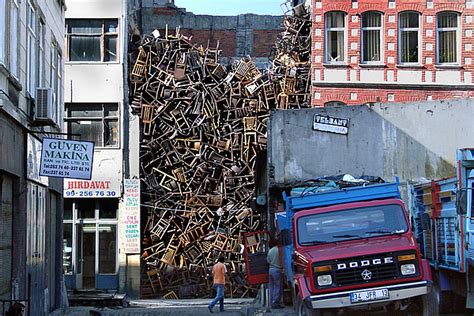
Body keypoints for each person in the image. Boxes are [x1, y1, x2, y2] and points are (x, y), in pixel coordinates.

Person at [267, 239, 283, 309]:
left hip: (271, 269)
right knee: (277, 287)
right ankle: (275, 303)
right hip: (277, 270)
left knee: (272, 286)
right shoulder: (279, 251)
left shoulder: (270, 251)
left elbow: (268, 260)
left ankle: (272, 302)